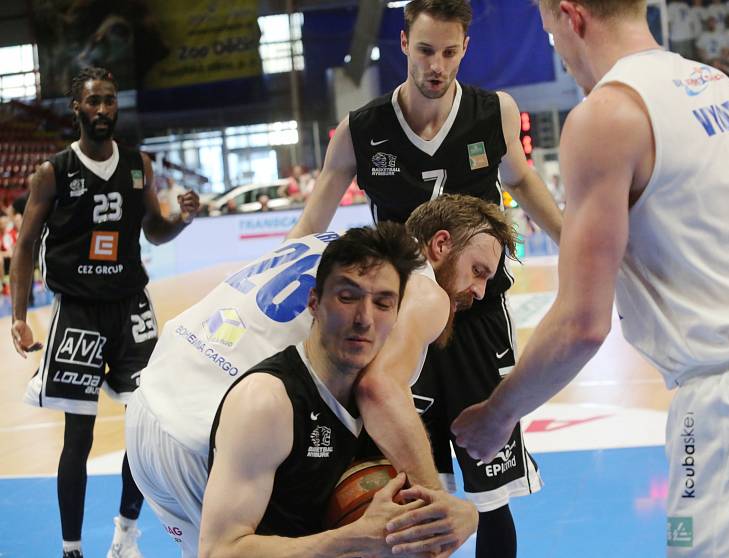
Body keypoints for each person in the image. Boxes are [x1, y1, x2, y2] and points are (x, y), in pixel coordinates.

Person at [451, 1, 729, 556]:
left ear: (572, 16)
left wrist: (498, 416)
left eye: (549, 34)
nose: (559, 52)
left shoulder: (607, 116)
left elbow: (581, 325)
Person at [287, 2, 561, 555]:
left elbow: (523, 180)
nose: (437, 65)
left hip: (477, 321)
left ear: (465, 49)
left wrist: (578, 241)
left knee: (490, 495)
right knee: (401, 492)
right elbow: (308, 224)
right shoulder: (361, 130)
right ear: (405, 43)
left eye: (450, 52)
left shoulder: (493, 111)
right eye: (425, 50)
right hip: (398, 330)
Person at [126, 194, 514, 557]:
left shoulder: (333, 242)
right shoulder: (425, 288)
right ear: (441, 245)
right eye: (477, 271)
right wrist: (435, 505)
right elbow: (378, 389)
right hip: (208, 426)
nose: (479, 291)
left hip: (149, 405)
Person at [9, 66, 200, 558]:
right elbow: (27, 244)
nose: (101, 111)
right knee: (79, 436)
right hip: (77, 312)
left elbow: (154, 231)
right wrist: (19, 314)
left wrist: (182, 218)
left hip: (131, 307)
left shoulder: (140, 165)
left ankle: (125, 535)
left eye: (109, 102)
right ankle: (72, 548)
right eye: (92, 102)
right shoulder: (53, 172)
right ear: (76, 108)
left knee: (145, 425)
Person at [197, 223, 454, 557]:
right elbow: (218, 551)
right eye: (348, 297)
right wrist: (353, 537)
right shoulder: (266, 403)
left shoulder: (384, 400)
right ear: (314, 302)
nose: (364, 318)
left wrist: (465, 515)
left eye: (383, 303)